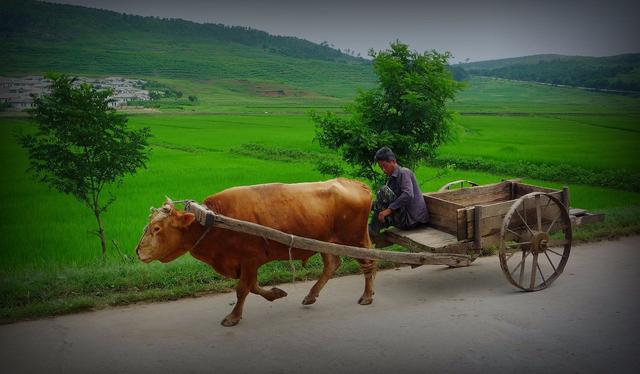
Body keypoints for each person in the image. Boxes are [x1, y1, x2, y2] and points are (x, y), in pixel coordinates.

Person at [368, 147, 429, 237]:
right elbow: (382, 202)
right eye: (381, 167)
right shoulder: (391, 178)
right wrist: (367, 207)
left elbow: (408, 195)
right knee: (380, 200)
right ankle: (372, 227)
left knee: (383, 191)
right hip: (404, 218)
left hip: (413, 220)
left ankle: (372, 229)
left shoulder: (404, 172)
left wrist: (388, 210)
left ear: (393, 161)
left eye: (384, 166)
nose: (383, 170)